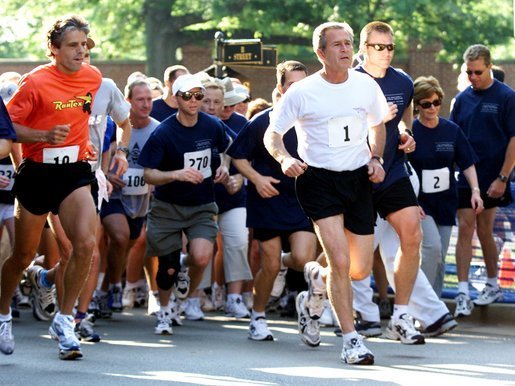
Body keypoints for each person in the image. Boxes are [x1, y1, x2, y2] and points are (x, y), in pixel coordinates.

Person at [264, 22, 388, 365]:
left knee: (358, 269)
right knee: (340, 260)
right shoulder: (302, 92)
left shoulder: (365, 85)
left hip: (358, 179)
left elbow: (378, 125)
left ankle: (316, 283)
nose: (346, 50)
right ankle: (351, 340)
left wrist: (376, 158)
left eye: (348, 43)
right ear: (321, 53)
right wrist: (285, 158)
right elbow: (272, 135)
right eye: (337, 45)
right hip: (318, 180)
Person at [0, 15, 102, 360]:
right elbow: (8, 128)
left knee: (86, 244)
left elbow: (83, 113)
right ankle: (2, 315)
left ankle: (64, 319)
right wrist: (44, 136)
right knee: (23, 256)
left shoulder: (94, 77)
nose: (81, 51)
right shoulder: (34, 83)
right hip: (37, 173)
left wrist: (83, 142)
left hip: (73, 171)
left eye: (84, 44)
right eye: (73, 45)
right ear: (53, 49)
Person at [228, 60, 317, 343]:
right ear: (280, 87)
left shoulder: (314, 118)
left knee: (303, 259)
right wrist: (257, 179)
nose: (298, 90)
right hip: (267, 198)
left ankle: (280, 263)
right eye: (293, 84)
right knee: (267, 264)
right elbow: (238, 156)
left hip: (303, 199)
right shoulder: (262, 121)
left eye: (303, 84)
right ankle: (258, 316)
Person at [350, 21, 425, 345]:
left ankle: (401, 316)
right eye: (379, 47)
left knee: (413, 232)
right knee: (356, 264)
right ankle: (315, 281)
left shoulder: (403, 82)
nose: (386, 52)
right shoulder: (349, 80)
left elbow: (401, 121)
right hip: (355, 172)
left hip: (392, 170)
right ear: (364, 48)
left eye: (390, 47)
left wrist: (406, 134)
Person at [138, 74, 230, 335]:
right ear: (176, 98)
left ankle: (181, 286)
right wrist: (176, 174)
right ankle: (165, 311)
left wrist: (223, 167)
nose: (194, 100)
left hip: (202, 204)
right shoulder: (164, 132)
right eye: (187, 95)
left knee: (201, 256)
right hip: (168, 206)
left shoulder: (212, 126)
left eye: (198, 95)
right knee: (167, 268)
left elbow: (225, 149)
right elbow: (148, 174)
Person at [449, 44, 515, 316]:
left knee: (485, 230)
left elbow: (514, 139)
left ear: (489, 67)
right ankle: (463, 291)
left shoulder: (507, 97)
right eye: (469, 72)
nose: (473, 77)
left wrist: (503, 177)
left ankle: (492, 283)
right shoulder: (463, 99)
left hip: (494, 175)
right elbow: (454, 137)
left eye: (478, 72)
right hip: (466, 175)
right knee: (466, 227)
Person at [410, 76, 483, 296]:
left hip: (445, 200)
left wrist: (475, 191)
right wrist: (411, 202)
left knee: (440, 255)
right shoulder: (410, 132)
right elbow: (402, 170)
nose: (432, 108)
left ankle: (436, 304)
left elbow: (467, 162)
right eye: (426, 104)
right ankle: (422, 304)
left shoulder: (451, 131)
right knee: (431, 249)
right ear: (417, 106)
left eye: (436, 102)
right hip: (420, 203)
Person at [97, 78, 157, 316]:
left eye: (149, 99)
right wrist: (108, 175)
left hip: (140, 201)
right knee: (119, 238)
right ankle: (112, 286)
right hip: (114, 196)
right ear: (128, 101)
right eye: (140, 99)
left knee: (125, 246)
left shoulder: (158, 129)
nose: (145, 104)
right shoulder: (113, 127)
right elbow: (100, 153)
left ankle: (107, 288)